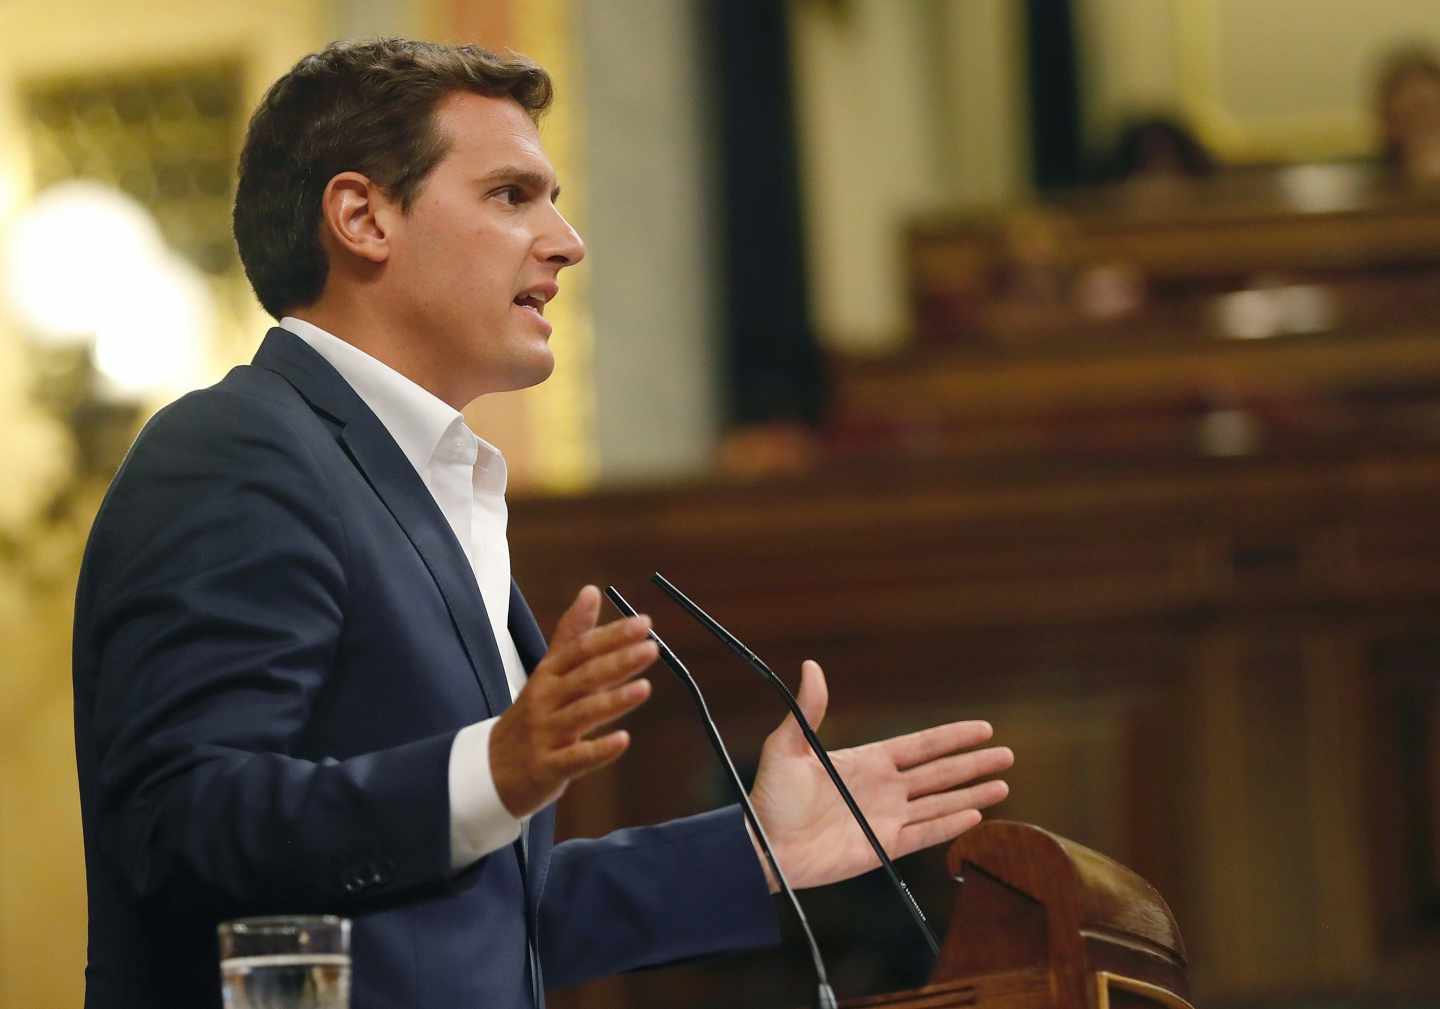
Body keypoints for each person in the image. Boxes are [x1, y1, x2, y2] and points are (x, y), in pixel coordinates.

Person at [71, 38, 1013, 1009]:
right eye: (512, 195)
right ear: (361, 216)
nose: (566, 241)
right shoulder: (239, 453)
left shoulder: (432, 490)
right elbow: (182, 830)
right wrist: (490, 767)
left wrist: (755, 851)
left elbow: (477, 923)